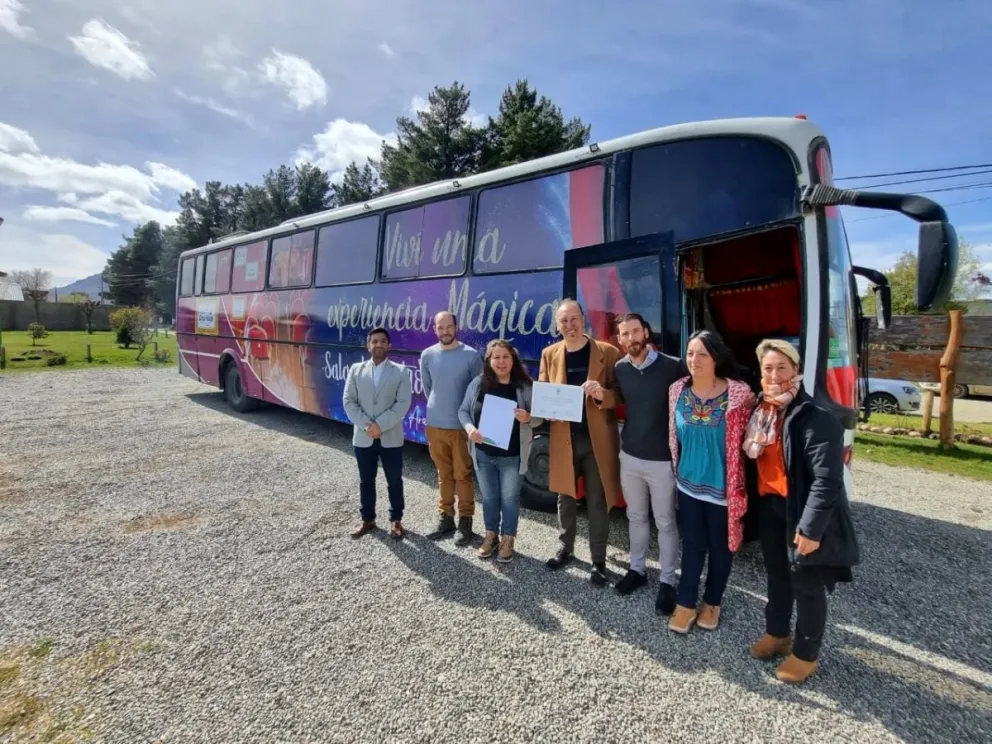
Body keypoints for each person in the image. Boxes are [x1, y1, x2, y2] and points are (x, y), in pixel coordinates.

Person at [744, 339, 860, 684]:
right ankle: (778, 634)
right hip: (770, 505)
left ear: (796, 369)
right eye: (768, 368)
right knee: (777, 574)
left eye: (782, 367)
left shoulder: (815, 417)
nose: (775, 374)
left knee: (806, 583)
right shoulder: (762, 410)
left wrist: (811, 529)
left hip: (800, 511)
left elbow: (828, 480)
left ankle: (806, 655)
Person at [667, 330, 756, 634]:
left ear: (717, 357)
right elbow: (674, 437)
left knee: (721, 549)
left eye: (702, 354)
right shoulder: (677, 390)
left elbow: (755, 434)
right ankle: (686, 602)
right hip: (688, 485)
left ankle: (713, 602)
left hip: (724, 489)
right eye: (690, 353)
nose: (694, 360)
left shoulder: (740, 394)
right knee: (692, 545)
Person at [540, 299, 622, 586]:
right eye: (564, 321)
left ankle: (598, 560)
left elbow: (619, 396)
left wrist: (602, 395)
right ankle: (566, 548)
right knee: (565, 497)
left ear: (583, 319)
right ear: (557, 325)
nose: (570, 326)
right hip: (565, 438)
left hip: (595, 440)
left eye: (574, 319)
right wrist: (544, 409)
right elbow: (543, 395)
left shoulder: (607, 352)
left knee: (598, 501)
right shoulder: (549, 354)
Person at [611, 313, 688, 615]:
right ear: (619, 339)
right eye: (624, 334)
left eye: (635, 331)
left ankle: (668, 582)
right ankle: (638, 570)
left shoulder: (674, 366)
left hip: (662, 461)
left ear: (646, 331)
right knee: (636, 517)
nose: (631, 338)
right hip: (629, 455)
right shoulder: (620, 369)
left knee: (666, 522)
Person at [458, 340, 543, 563]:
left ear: (513, 359)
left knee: (509, 498)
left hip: (512, 456)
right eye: (496, 357)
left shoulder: (525, 386)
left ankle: (507, 539)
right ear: (489, 361)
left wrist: (528, 418)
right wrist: (470, 429)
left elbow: (540, 417)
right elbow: (463, 411)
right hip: (483, 454)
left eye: (505, 356)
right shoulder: (478, 384)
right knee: (489, 497)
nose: (501, 361)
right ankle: (490, 535)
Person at [342, 327, 413, 540]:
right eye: (374, 341)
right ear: (368, 345)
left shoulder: (401, 371)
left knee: (394, 481)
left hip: (391, 437)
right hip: (363, 437)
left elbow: (403, 404)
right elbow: (348, 401)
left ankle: (396, 520)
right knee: (366, 480)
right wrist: (367, 426)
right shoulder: (356, 370)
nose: (379, 344)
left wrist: (379, 426)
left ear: (389, 345)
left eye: (383, 341)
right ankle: (367, 519)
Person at [420, 311, 484, 545]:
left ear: (457, 327)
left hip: (461, 428)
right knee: (443, 475)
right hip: (435, 424)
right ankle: (446, 518)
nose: (445, 331)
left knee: (463, 476)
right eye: (440, 327)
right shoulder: (427, 355)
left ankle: (465, 522)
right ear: (434, 329)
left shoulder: (471, 355)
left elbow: (477, 392)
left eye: (449, 326)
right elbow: (429, 389)